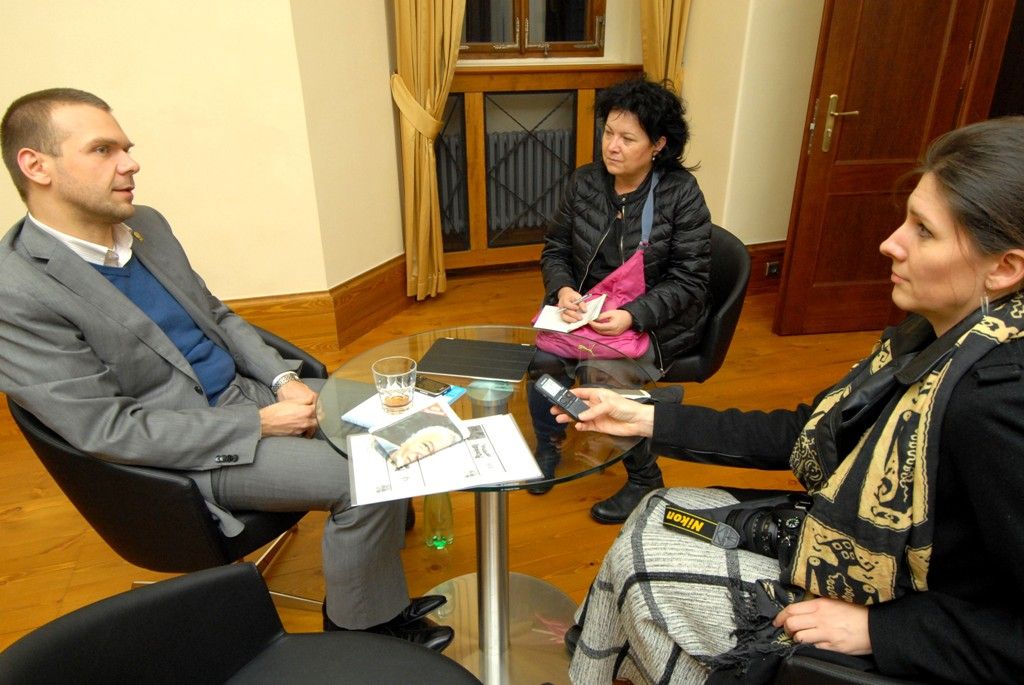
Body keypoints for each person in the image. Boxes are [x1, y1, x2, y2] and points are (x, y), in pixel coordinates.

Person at [553, 117, 1024, 683]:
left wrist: (883, 630)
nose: (890, 242)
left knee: (646, 564)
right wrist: (646, 417)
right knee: (655, 511)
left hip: (913, 624)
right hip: (859, 556)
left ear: (1005, 268)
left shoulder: (997, 402)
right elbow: (808, 432)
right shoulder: (928, 337)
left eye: (923, 231)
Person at [0, 89, 453, 651]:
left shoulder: (146, 224)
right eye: (103, 150)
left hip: (250, 392)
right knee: (365, 479)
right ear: (36, 166)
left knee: (401, 416)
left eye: (127, 148)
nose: (130, 163)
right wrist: (261, 423)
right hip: (185, 449)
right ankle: (362, 630)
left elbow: (216, 315)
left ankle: (374, 574)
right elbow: (108, 430)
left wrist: (283, 381)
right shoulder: (16, 290)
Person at [527, 76, 711, 517]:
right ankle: (548, 445)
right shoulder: (585, 183)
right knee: (543, 363)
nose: (612, 146)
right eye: (609, 132)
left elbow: (690, 281)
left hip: (656, 322)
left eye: (628, 139)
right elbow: (555, 249)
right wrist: (564, 289)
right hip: (587, 313)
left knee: (600, 374)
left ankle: (645, 479)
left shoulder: (680, 194)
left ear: (658, 145)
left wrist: (633, 315)